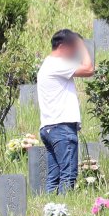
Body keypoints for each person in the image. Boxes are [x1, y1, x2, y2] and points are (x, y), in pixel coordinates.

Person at [37, 29, 94, 194]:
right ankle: (63, 212)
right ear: (63, 46)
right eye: (74, 49)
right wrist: (82, 44)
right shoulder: (58, 63)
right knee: (68, 175)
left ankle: (50, 212)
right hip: (61, 128)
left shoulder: (48, 64)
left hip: (49, 127)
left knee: (54, 178)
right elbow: (89, 69)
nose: (75, 53)